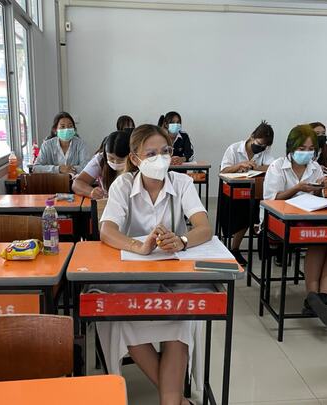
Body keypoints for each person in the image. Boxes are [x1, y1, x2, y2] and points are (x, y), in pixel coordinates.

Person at [98, 124, 212, 405]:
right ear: (135, 159)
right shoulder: (123, 185)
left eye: (165, 151)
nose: (160, 158)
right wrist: (139, 246)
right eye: (151, 153)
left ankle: (171, 401)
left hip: (174, 272)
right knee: (123, 321)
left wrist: (182, 240)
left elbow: (204, 228)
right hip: (133, 274)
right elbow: (107, 230)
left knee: (181, 321)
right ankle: (177, 400)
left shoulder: (181, 183)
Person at [263, 124, 327, 327]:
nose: (306, 153)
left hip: (310, 216)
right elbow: (270, 200)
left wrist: (322, 188)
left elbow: (316, 198)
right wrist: (297, 188)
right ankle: (313, 294)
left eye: (311, 149)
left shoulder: (315, 167)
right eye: (301, 148)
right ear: (291, 147)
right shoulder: (277, 166)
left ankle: (325, 296)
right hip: (279, 219)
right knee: (320, 238)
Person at [220, 120, 275, 264]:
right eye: (259, 144)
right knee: (246, 210)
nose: (261, 148)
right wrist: (239, 166)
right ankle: (234, 248)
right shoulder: (234, 149)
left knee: (265, 207)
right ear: (251, 136)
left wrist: (255, 167)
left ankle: (267, 243)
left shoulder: (264, 151)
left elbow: (272, 167)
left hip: (254, 190)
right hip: (233, 191)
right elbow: (223, 171)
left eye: (264, 146)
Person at [72, 131, 130, 199]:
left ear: (131, 156)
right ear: (105, 154)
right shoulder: (100, 159)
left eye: (121, 160)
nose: (115, 162)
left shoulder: (136, 161)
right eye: (111, 158)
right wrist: (91, 192)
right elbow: (77, 184)